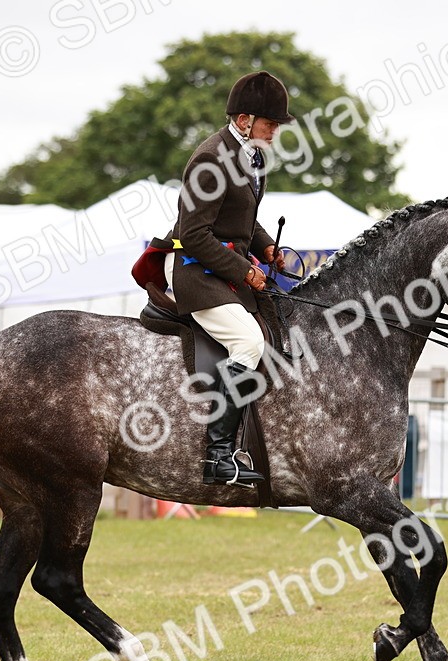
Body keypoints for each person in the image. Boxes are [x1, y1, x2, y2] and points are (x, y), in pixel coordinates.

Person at [162, 71, 292, 486]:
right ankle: (218, 457)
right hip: (194, 268)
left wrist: (267, 247)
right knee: (249, 341)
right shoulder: (209, 160)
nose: (274, 133)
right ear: (244, 120)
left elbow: (241, 220)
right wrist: (246, 271)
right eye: (270, 125)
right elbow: (193, 234)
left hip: (221, 263)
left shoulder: (252, 156)